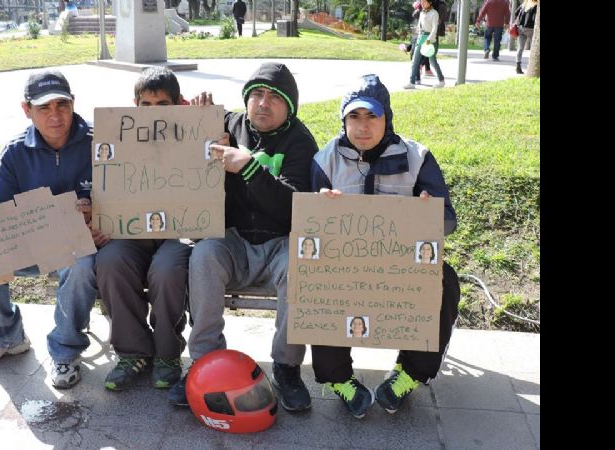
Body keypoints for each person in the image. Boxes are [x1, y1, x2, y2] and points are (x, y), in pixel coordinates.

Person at [169, 62, 319, 413]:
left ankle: (287, 367)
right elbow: (177, 142)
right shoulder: (228, 124)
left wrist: (249, 167)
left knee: (300, 266)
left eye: (274, 98)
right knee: (204, 255)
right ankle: (203, 362)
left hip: (280, 244)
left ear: (289, 107)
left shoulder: (300, 142)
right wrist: (196, 116)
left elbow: (294, 209)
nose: (263, 103)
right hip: (232, 239)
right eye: (257, 94)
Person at [310, 74, 460, 419]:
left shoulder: (418, 157)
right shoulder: (324, 160)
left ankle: (410, 372)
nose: (363, 126)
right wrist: (319, 207)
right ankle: (338, 378)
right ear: (343, 119)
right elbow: (307, 228)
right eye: (354, 116)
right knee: (315, 281)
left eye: (372, 116)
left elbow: (448, 221)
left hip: (402, 266)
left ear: (386, 118)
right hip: (344, 263)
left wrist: (430, 212)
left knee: (445, 281)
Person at [0, 70, 106, 390]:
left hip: (85, 244)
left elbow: (128, 194)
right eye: (44, 107)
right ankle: (3, 336)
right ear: (26, 110)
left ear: (73, 104)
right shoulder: (14, 152)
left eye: (62, 104)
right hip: (31, 244)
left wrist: (101, 213)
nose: (55, 115)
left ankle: (66, 349)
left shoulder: (101, 142)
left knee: (81, 261)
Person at [96, 67, 210, 392]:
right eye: (146, 105)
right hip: (133, 229)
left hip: (179, 230)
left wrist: (205, 122)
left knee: (167, 268)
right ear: (135, 105)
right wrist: (101, 215)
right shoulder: (119, 133)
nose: (153, 112)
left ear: (177, 103)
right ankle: (133, 353)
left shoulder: (195, 130)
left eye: (163, 105)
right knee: (110, 261)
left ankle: (166, 354)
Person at [405, 0, 446, 89]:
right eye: (421, 2)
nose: (422, 4)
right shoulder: (422, 13)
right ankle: (412, 82)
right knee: (415, 61)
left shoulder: (434, 13)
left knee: (433, 62)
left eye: (424, 2)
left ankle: (441, 81)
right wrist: (418, 37)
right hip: (421, 38)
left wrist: (428, 40)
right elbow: (419, 27)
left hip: (430, 40)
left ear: (430, 2)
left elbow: (434, 29)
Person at [512, 0, 537, 74]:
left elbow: (516, 13)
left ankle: (518, 66)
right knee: (534, 49)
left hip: (521, 28)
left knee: (520, 48)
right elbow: (534, 18)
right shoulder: (536, 5)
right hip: (531, 29)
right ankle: (533, 66)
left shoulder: (525, 3)